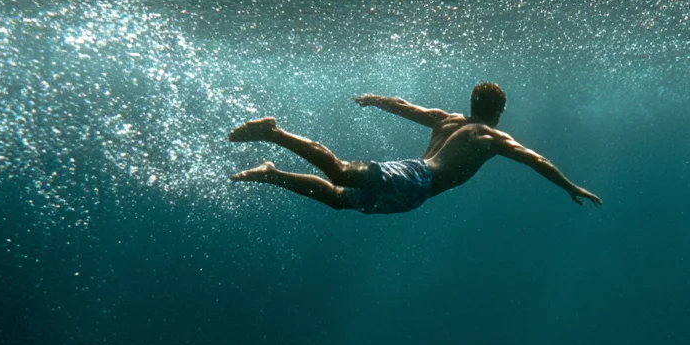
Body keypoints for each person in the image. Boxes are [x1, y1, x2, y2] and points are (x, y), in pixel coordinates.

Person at [228, 82, 602, 214]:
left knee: (341, 199)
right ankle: (273, 133)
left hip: (414, 187)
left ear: (473, 104)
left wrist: (376, 100)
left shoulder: (448, 119)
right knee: (340, 172)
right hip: (416, 179)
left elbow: (406, 107)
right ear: (499, 112)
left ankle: (272, 174)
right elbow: (536, 160)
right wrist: (569, 186)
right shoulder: (491, 137)